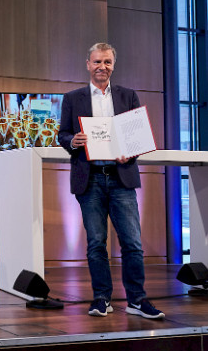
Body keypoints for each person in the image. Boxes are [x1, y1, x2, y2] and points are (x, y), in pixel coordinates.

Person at [57, 43, 164, 320]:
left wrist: (131, 150)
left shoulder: (128, 96)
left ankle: (136, 300)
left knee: (132, 243)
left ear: (113, 65)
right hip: (90, 179)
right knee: (96, 243)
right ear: (88, 64)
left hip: (121, 177)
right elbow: (63, 134)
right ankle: (102, 298)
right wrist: (73, 140)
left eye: (107, 62)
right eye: (97, 62)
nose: (102, 67)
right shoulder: (73, 98)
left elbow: (137, 136)